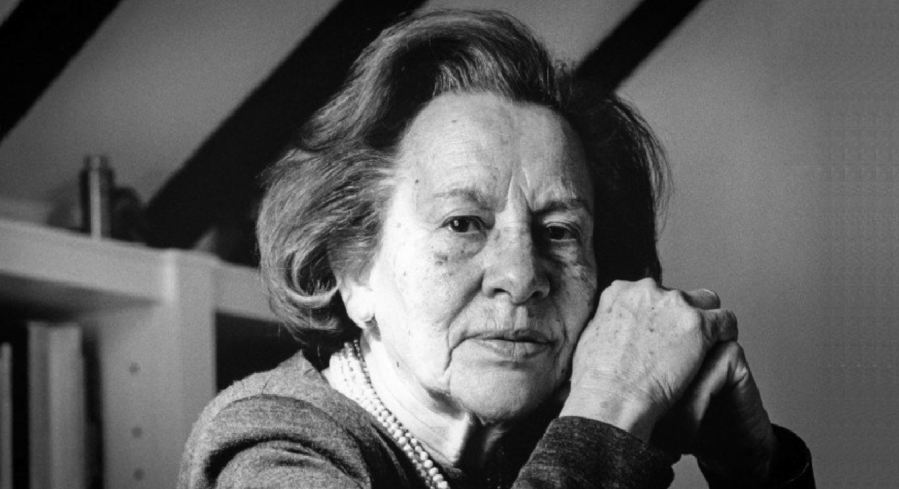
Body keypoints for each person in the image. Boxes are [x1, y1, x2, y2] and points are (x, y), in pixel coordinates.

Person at [179, 9, 814, 489]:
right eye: (463, 223)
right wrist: (611, 408)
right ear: (353, 272)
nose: (521, 274)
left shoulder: (547, 440)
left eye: (559, 231)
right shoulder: (270, 448)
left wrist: (754, 471)